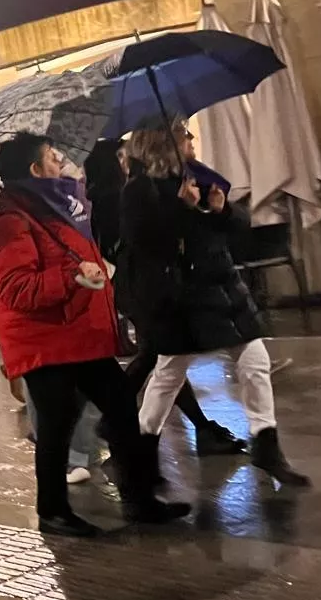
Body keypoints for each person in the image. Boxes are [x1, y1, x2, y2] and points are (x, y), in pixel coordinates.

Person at [0, 133, 192, 537]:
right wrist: (72, 275)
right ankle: (53, 512)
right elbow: (16, 289)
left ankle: (139, 499)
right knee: (57, 424)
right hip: (44, 339)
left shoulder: (57, 209)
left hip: (78, 332)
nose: (61, 163)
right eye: (52, 158)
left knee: (119, 406)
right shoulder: (10, 221)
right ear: (34, 170)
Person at [117, 120, 309, 487]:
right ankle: (140, 451)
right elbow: (146, 242)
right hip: (181, 297)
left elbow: (236, 227)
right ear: (161, 142)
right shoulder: (139, 190)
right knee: (169, 374)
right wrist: (183, 209)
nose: (190, 140)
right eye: (181, 134)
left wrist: (220, 210)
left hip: (221, 285)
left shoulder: (198, 175)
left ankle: (266, 444)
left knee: (254, 360)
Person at [83, 141, 248, 456]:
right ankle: (116, 421)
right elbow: (144, 238)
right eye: (118, 156)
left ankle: (196, 428)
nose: (125, 159)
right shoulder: (117, 196)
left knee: (167, 359)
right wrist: (179, 208)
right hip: (139, 285)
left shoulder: (122, 192)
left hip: (140, 284)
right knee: (160, 355)